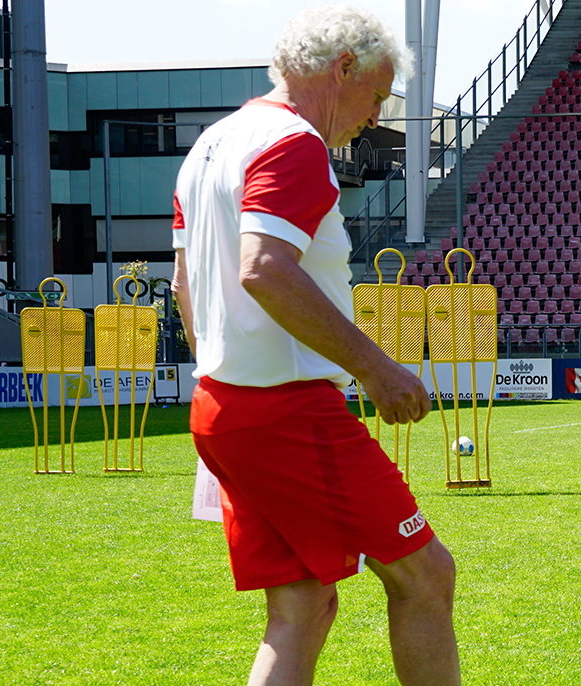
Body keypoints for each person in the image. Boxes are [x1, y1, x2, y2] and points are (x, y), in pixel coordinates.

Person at [171, 6, 459, 685]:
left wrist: (227, 369)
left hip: (224, 406)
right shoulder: (293, 142)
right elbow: (265, 268)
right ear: (343, 69)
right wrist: (379, 370)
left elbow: (185, 285)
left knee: (301, 606)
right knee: (425, 576)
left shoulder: (210, 143)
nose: (375, 113)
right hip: (288, 408)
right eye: (377, 93)